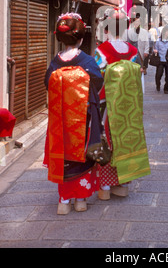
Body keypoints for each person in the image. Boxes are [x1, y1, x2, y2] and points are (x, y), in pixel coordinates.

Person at [43, 12, 104, 215]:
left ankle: (63, 201)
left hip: (61, 117)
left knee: (64, 154)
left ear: (61, 38)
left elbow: (47, 83)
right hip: (83, 117)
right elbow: (97, 80)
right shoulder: (86, 60)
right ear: (80, 39)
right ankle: (81, 200)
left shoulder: (55, 62)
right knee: (83, 152)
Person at [95, 10, 150, 200]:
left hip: (107, 104)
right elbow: (138, 80)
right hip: (128, 104)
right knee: (125, 139)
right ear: (126, 28)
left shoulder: (102, 51)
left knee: (107, 139)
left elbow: (96, 79)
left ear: (107, 29)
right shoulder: (133, 52)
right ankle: (123, 184)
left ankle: (104, 187)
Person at [153, 24, 168, 94]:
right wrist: (155, 51)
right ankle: (158, 84)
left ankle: (166, 88)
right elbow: (155, 49)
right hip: (160, 60)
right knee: (158, 75)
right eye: (167, 31)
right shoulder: (158, 41)